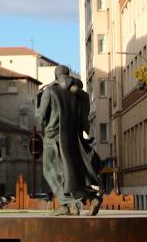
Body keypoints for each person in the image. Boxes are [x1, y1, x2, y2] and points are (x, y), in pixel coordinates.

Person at [36, 65, 103, 216]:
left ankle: (68, 204)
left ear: (56, 75)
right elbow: (84, 115)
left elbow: (40, 116)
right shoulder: (77, 95)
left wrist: (38, 100)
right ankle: (90, 198)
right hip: (72, 138)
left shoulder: (50, 91)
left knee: (50, 172)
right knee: (71, 173)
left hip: (53, 137)